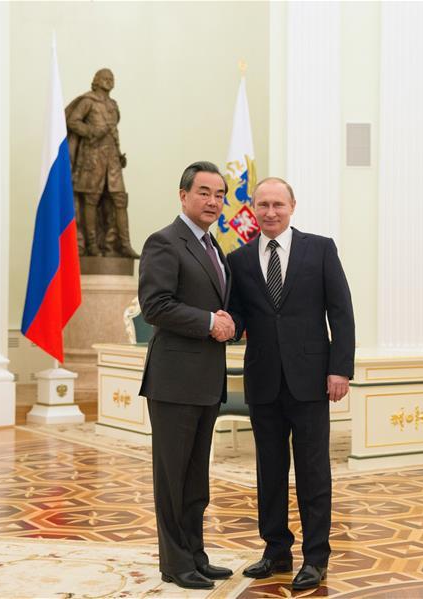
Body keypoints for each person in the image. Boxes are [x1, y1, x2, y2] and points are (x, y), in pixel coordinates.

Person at [227, 177, 355, 591]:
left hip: (311, 381)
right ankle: (276, 550)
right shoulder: (240, 258)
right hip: (263, 380)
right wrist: (223, 325)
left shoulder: (320, 249)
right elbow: (239, 317)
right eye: (262, 204)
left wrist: (340, 368)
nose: (270, 211)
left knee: (313, 471)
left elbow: (341, 311)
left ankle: (316, 558)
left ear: (292, 206)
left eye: (277, 204)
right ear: (253, 209)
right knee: (269, 470)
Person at [138, 161, 237, 590]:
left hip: (205, 381)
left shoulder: (215, 248)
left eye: (219, 194)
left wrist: (229, 324)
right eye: (203, 192)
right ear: (183, 196)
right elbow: (155, 305)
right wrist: (207, 322)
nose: (213, 201)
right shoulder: (164, 242)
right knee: (173, 477)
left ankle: (196, 554)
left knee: (196, 479)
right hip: (174, 381)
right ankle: (174, 563)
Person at [66, 68, 139, 258]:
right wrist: (91, 131)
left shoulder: (113, 105)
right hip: (93, 157)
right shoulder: (88, 101)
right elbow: (72, 121)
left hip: (112, 159)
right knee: (91, 199)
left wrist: (118, 152)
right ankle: (91, 246)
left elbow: (114, 132)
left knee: (119, 199)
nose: (109, 80)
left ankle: (123, 244)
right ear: (96, 81)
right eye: (104, 78)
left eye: (111, 78)